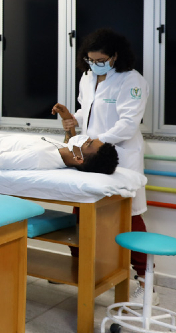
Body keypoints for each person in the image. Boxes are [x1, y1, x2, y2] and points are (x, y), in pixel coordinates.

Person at [57, 28, 153, 304]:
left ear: (115, 56)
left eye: (101, 60)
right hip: (91, 155)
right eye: (90, 60)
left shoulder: (131, 80)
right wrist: (73, 119)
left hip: (120, 155)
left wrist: (95, 142)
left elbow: (127, 125)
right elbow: (87, 111)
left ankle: (146, 283)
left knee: (129, 216)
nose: (95, 64)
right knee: (82, 208)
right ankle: (81, 270)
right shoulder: (87, 78)